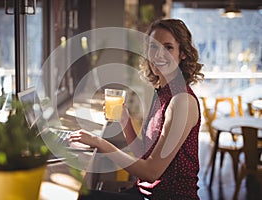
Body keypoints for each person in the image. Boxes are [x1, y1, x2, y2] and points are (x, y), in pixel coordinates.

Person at [69, 18, 204, 200]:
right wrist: (125, 120)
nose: (158, 54)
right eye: (153, 47)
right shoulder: (163, 93)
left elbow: (151, 172)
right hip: (145, 193)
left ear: (183, 54)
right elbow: (144, 154)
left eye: (168, 47)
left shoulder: (182, 102)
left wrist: (100, 143)